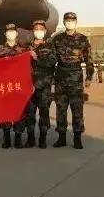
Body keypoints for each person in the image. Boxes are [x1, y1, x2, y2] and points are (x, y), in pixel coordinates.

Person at [49, 12, 94, 150]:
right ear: (64, 22)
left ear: (76, 22)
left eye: (72, 20)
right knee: (61, 110)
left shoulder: (83, 39)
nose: (70, 22)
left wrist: (89, 78)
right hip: (61, 76)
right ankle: (61, 138)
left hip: (75, 76)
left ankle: (77, 138)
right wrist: (51, 78)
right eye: (67, 20)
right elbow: (51, 60)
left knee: (77, 109)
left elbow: (89, 60)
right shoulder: (57, 39)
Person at [0, 22, 30, 148]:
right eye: (8, 31)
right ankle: (7, 137)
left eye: (13, 31)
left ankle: (18, 137)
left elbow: (28, 68)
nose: (11, 33)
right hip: (5, 86)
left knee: (20, 111)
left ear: (16, 33)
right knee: (5, 112)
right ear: (5, 34)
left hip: (19, 86)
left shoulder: (23, 50)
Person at [27, 19, 57, 149]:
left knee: (44, 114)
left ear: (45, 31)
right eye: (36, 29)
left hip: (44, 87)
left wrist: (36, 58)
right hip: (29, 87)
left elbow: (51, 63)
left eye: (41, 29)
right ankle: (30, 139)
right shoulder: (26, 47)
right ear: (33, 31)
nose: (38, 31)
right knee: (30, 114)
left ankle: (42, 139)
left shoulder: (50, 47)